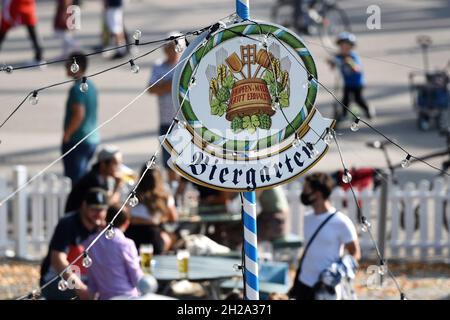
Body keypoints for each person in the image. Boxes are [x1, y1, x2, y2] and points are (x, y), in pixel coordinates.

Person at [289, 172, 360, 300]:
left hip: (325, 288)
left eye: (306, 190)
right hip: (303, 282)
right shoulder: (307, 218)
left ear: (318, 193)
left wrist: (336, 273)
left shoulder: (341, 222)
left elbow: (355, 254)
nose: (303, 194)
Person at [40, 188, 109, 300]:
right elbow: (57, 260)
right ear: (84, 206)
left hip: (89, 280)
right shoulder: (68, 224)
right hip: (58, 279)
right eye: (94, 209)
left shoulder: (102, 228)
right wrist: (80, 287)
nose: (98, 213)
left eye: (101, 210)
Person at [147, 32, 186, 188]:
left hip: (184, 122)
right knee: (169, 161)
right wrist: (173, 83)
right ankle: (173, 191)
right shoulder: (159, 66)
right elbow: (152, 88)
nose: (169, 50)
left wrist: (165, 85)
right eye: (168, 47)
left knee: (185, 159)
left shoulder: (185, 65)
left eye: (173, 47)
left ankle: (181, 190)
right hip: (166, 121)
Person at [84, 204, 143, 300]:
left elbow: (92, 280)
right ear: (126, 223)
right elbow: (136, 277)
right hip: (128, 296)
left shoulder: (90, 242)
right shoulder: (126, 244)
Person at [62, 51, 99, 184]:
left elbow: (79, 114)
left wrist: (67, 134)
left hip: (77, 139)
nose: (65, 66)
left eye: (67, 64)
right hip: (92, 138)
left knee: (75, 180)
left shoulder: (77, 89)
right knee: (82, 176)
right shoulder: (91, 85)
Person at [125, 166, 178, 254]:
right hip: (154, 238)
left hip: (132, 236)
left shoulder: (133, 195)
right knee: (172, 238)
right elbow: (173, 218)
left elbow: (126, 215)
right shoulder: (164, 196)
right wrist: (157, 220)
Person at [328, 32, 374, 122]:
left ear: (351, 47)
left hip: (357, 83)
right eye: (341, 46)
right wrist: (331, 63)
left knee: (358, 99)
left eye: (346, 46)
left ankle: (368, 110)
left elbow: (357, 69)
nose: (343, 48)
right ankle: (343, 115)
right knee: (345, 100)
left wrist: (350, 63)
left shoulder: (353, 56)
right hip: (347, 83)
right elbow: (333, 66)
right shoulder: (339, 56)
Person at [64, 145, 125, 213]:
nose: (119, 168)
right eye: (115, 164)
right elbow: (108, 205)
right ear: (103, 164)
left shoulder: (103, 177)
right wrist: (118, 185)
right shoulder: (94, 180)